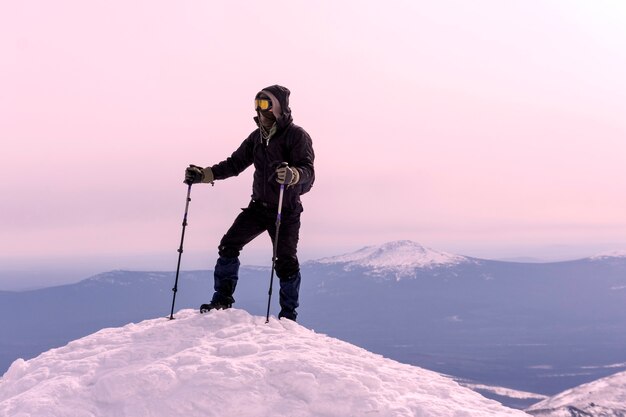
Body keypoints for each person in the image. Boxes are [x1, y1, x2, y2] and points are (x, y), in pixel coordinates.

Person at [184, 85, 315, 321]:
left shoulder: (297, 136)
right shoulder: (257, 138)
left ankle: (288, 318)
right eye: (257, 105)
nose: (260, 110)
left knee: (285, 262)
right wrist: (204, 175)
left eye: (265, 105)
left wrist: (294, 174)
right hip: (259, 207)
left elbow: (308, 173)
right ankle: (222, 301)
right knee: (228, 245)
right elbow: (235, 164)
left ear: (279, 108)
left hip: (286, 210)